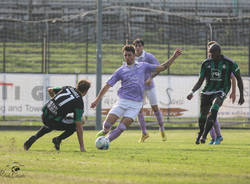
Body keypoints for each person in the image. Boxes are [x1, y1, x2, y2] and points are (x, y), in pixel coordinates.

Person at [91, 45, 182, 145]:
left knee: (121, 127)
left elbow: (162, 67)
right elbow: (107, 86)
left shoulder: (143, 66)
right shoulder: (120, 70)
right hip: (122, 101)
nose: (127, 57)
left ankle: (106, 141)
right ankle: (105, 131)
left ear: (134, 55)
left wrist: (174, 57)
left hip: (136, 104)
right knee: (107, 124)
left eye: (129, 55)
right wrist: (96, 100)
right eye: (125, 55)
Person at [187, 42, 244, 144]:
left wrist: (240, 95)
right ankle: (202, 134)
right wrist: (192, 92)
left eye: (212, 53)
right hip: (207, 90)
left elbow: (238, 79)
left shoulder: (229, 63)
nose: (210, 55)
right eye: (209, 53)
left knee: (214, 110)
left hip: (221, 90)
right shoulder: (206, 63)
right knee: (203, 116)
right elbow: (200, 81)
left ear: (218, 53)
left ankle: (206, 136)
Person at [24, 79, 91, 152]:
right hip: (54, 121)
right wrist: (82, 147)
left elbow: (50, 90)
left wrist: (55, 105)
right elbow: (78, 124)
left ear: (77, 86)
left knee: (54, 119)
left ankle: (35, 137)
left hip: (44, 115)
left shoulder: (68, 88)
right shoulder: (79, 102)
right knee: (78, 123)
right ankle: (58, 139)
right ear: (86, 91)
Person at [132, 38, 166, 143]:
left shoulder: (148, 56)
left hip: (150, 86)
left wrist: (150, 78)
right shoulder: (131, 56)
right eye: (136, 46)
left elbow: (159, 68)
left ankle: (162, 128)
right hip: (138, 88)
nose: (137, 48)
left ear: (143, 47)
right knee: (139, 110)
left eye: (139, 46)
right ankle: (144, 133)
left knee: (155, 108)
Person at [206, 41, 237, 145]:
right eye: (209, 51)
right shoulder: (208, 63)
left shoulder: (223, 64)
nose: (209, 53)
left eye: (211, 51)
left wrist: (233, 91)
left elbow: (233, 78)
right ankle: (214, 138)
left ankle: (218, 137)